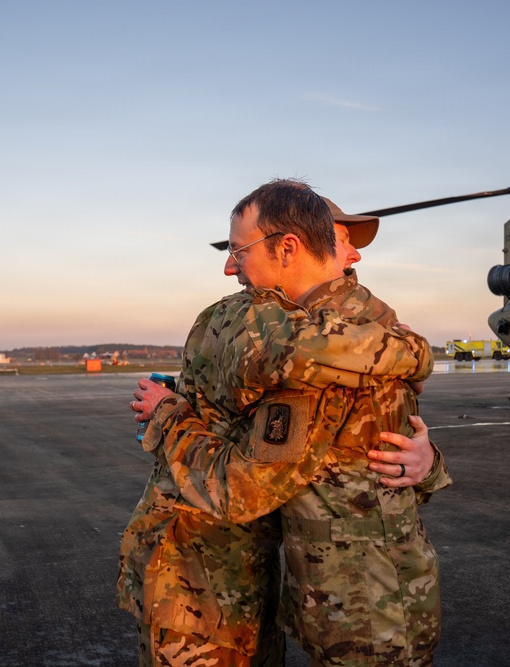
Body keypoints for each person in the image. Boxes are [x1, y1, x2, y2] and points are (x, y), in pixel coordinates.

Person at [118, 180, 439, 666]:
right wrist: (416, 358)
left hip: (361, 608)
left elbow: (244, 488)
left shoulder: (347, 341)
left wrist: (428, 461)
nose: (351, 256)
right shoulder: (316, 336)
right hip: (312, 595)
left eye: (344, 243)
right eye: (341, 238)